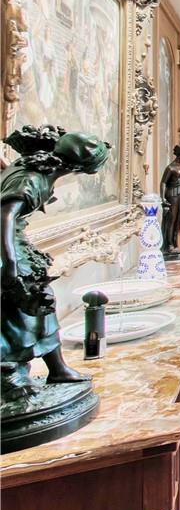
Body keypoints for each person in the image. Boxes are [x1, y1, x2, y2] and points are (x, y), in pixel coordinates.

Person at [1, 125, 111, 399]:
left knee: (41, 303)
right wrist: (11, 263)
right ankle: (11, 373)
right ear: (79, 167)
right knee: (20, 313)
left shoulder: (32, 167)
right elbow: (4, 216)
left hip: (14, 243)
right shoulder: (31, 179)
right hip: (7, 248)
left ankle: (57, 367)